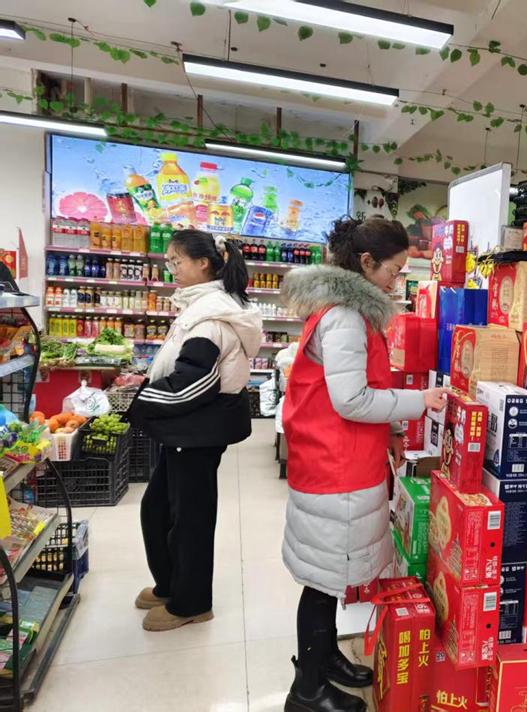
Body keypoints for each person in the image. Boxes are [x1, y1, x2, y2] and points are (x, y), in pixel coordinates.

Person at [280, 217, 449, 712]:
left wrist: (392, 428)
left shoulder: (350, 311)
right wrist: (419, 401)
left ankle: (326, 658)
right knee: (323, 583)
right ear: (367, 262)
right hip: (335, 468)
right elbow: (352, 399)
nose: (397, 281)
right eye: (394, 271)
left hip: (340, 459)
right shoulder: (345, 318)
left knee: (332, 575)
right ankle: (307, 689)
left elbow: (362, 386)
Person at [128, 230, 263, 632]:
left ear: (203, 263)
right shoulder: (202, 305)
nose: (171, 268)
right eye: (169, 261)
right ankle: (170, 585)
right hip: (187, 429)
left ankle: (191, 602)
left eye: (177, 261)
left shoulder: (212, 316)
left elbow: (193, 382)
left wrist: (137, 403)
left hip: (196, 430)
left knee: (190, 518)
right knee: (159, 509)